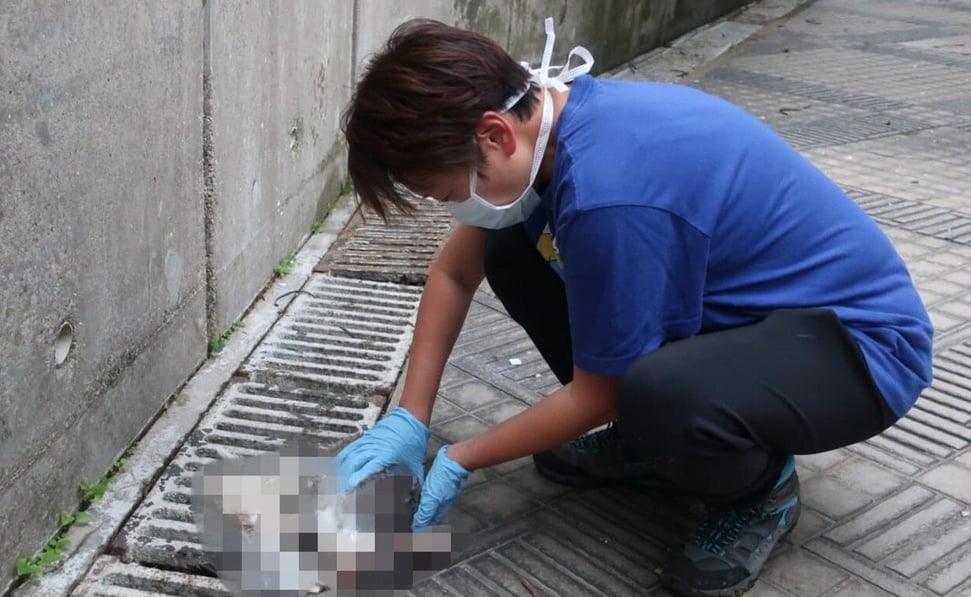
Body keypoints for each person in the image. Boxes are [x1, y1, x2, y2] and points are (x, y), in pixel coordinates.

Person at [335, 16, 933, 597]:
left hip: (857, 350)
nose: (453, 208)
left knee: (654, 392)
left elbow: (602, 393)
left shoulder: (609, 192)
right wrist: (409, 419)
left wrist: (460, 461)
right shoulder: (548, 122)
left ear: (493, 133)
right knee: (511, 248)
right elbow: (455, 270)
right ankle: (656, 444)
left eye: (447, 192)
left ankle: (757, 491)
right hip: (754, 321)